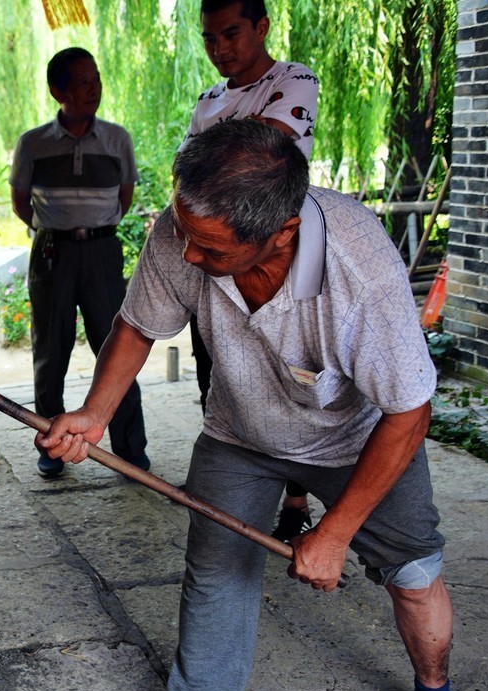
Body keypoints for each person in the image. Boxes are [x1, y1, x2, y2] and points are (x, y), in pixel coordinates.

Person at [37, 119, 483, 691]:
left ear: (282, 234)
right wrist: (95, 413)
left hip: (357, 439)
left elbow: (410, 411)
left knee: (414, 571)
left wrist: (335, 533)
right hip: (240, 433)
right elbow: (137, 324)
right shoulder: (187, 229)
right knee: (216, 570)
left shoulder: (359, 271)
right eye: (185, 235)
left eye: (211, 249)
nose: (188, 255)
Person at [183, 0, 320, 540]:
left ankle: (297, 495)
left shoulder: (294, 80)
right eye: (209, 38)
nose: (219, 48)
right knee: (221, 369)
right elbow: (189, 175)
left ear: (262, 27)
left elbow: (262, 155)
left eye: (230, 33)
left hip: (278, 254)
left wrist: (212, 158)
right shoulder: (208, 101)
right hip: (222, 262)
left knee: (296, 376)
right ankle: (236, 474)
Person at [10, 47, 149, 479]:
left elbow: (124, 197)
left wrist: (93, 229)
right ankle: (52, 447)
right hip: (52, 254)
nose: (94, 89)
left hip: (102, 252)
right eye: (83, 82)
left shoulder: (117, 139)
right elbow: (20, 201)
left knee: (117, 347)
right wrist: (57, 230)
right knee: (50, 353)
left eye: (97, 80)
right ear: (59, 91)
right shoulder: (33, 143)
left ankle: (130, 452)